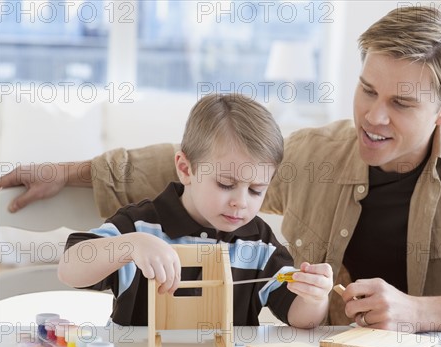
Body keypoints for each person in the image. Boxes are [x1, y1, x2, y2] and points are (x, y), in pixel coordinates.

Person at [0, 6, 441, 333]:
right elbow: (211, 163)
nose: (372, 116)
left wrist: (420, 312)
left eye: (401, 104)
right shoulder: (323, 152)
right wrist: (70, 170)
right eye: (367, 89)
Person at [57, 93, 333, 327]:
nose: (241, 202)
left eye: (256, 190)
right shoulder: (141, 226)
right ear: (186, 169)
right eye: (226, 184)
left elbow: (300, 318)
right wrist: (130, 246)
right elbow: (69, 268)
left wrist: (315, 297)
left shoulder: (257, 242)